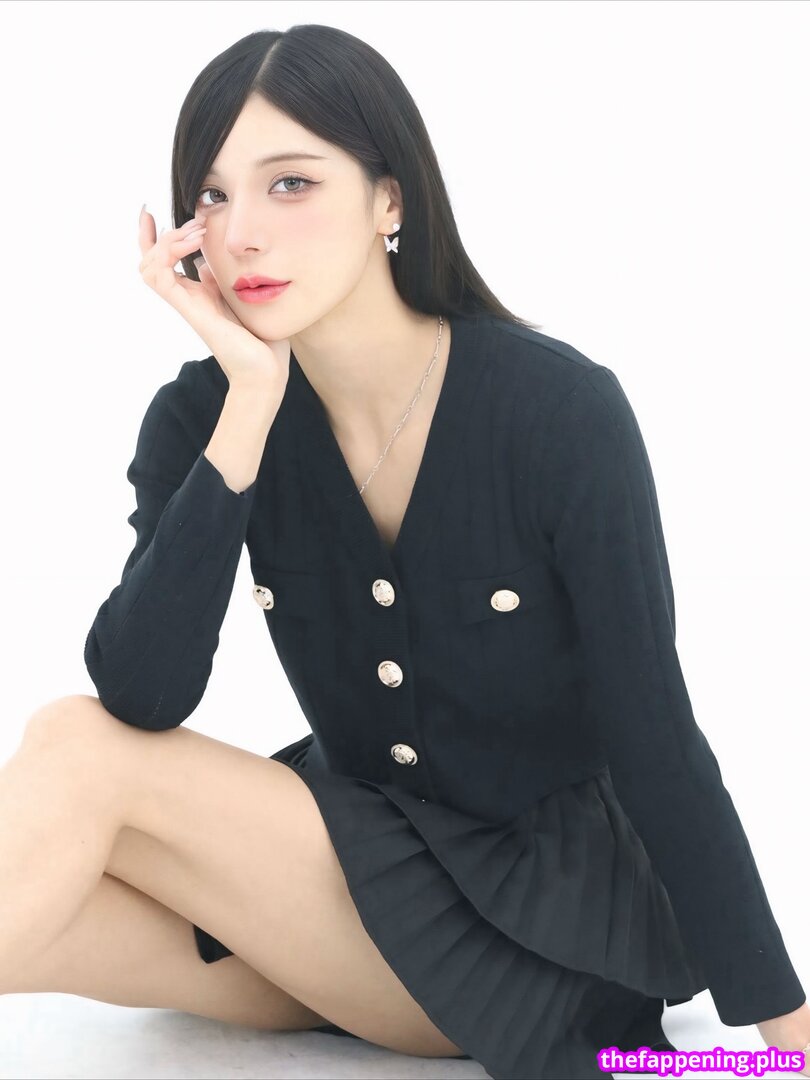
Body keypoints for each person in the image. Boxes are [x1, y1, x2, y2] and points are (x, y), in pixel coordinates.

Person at [3, 25, 808, 1080]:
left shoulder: (557, 413)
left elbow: (656, 732)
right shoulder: (205, 415)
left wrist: (785, 1024)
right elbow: (145, 694)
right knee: (51, 887)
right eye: (211, 197)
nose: (241, 234)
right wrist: (249, 404)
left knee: (72, 751)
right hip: (349, 905)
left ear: (391, 199)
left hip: (535, 939)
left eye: (290, 184)